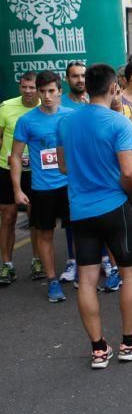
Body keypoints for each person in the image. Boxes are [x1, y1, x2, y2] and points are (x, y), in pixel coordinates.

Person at [57, 64, 132, 369]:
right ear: (114, 87)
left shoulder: (66, 122)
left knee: (86, 279)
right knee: (129, 273)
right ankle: (130, 342)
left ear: (86, 86)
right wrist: (131, 194)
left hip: (80, 209)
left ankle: (99, 349)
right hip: (114, 206)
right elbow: (129, 172)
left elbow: (63, 167)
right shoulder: (118, 123)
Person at [10, 71, 72, 302]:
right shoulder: (26, 121)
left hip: (70, 185)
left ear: (59, 92)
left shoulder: (71, 116)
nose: (46, 96)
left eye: (51, 91)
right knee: (44, 234)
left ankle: (86, 273)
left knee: (81, 229)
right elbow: (15, 156)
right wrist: (17, 189)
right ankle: (53, 280)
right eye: (42, 91)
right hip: (43, 187)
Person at [0, 72, 39, 285]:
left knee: (36, 219)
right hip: (6, 169)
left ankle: (37, 260)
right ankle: (7, 265)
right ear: (19, 87)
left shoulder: (45, 107)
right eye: (24, 87)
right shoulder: (6, 107)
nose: (28, 91)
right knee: (8, 217)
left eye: (32, 87)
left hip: (36, 172)